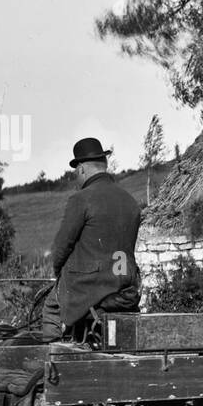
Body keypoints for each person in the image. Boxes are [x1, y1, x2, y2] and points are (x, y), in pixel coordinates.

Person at [41, 137, 142, 342]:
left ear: (82, 170)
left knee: (50, 308)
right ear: (104, 165)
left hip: (91, 287)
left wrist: (59, 274)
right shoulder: (130, 201)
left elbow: (61, 248)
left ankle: (52, 360)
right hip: (126, 285)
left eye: (75, 172)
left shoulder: (81, 199)